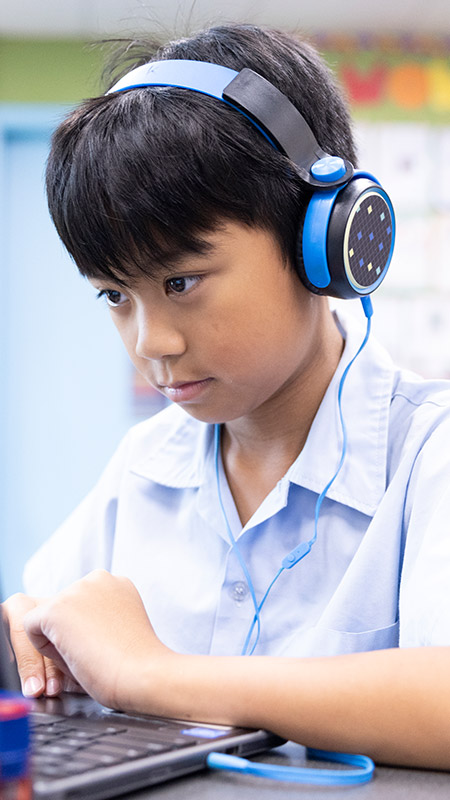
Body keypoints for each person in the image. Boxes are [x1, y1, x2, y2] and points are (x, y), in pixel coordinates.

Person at [3, 23, 450, 770]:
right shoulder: (145, 467)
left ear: (324, 243)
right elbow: (49, 616)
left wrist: (159, 675)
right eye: (115, 295)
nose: (152, 342)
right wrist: (35, 636)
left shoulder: (428, 455)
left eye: (182, 282)